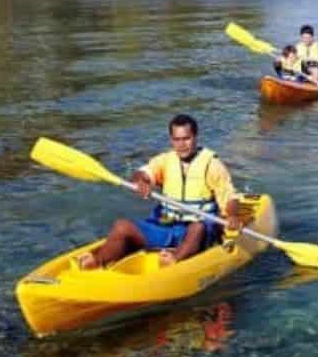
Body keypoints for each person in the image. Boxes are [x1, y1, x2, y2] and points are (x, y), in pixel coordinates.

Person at [76, 114, 241, 270]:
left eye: (186, 138)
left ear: (195, 137)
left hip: (196, 232)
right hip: (165, 225)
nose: (182, 144)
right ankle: (98, 261)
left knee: (197, 228)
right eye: (177, 139)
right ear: (171, 140)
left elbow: (230, 198)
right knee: (121, 226)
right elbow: (142, 173)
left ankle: (174, 260)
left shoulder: (212, 165)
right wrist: (141, 182)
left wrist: (232, 215)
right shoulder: (165, 160)